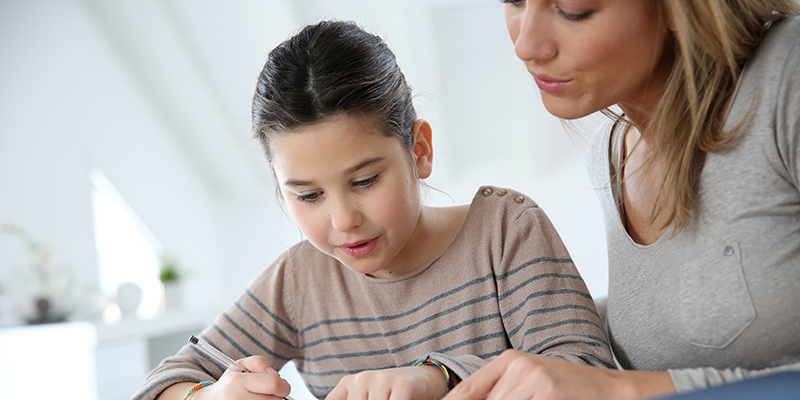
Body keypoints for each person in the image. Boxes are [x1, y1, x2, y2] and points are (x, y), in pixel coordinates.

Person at [131, 20, 614, 400]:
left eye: (364, 181)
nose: (344, 220)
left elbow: (588, 373)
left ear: (419, 151)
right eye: (308, 196)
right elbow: (161, 384)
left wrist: (440, 376)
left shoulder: (505, 231)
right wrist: (210, 395)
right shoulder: (300, 281)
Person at [442, 1, 800, 400]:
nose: (525, 46)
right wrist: (446, 374)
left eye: (572, 10)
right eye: (514, 1)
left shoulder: (788, 77)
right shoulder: (613, 156)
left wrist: (622, 389)